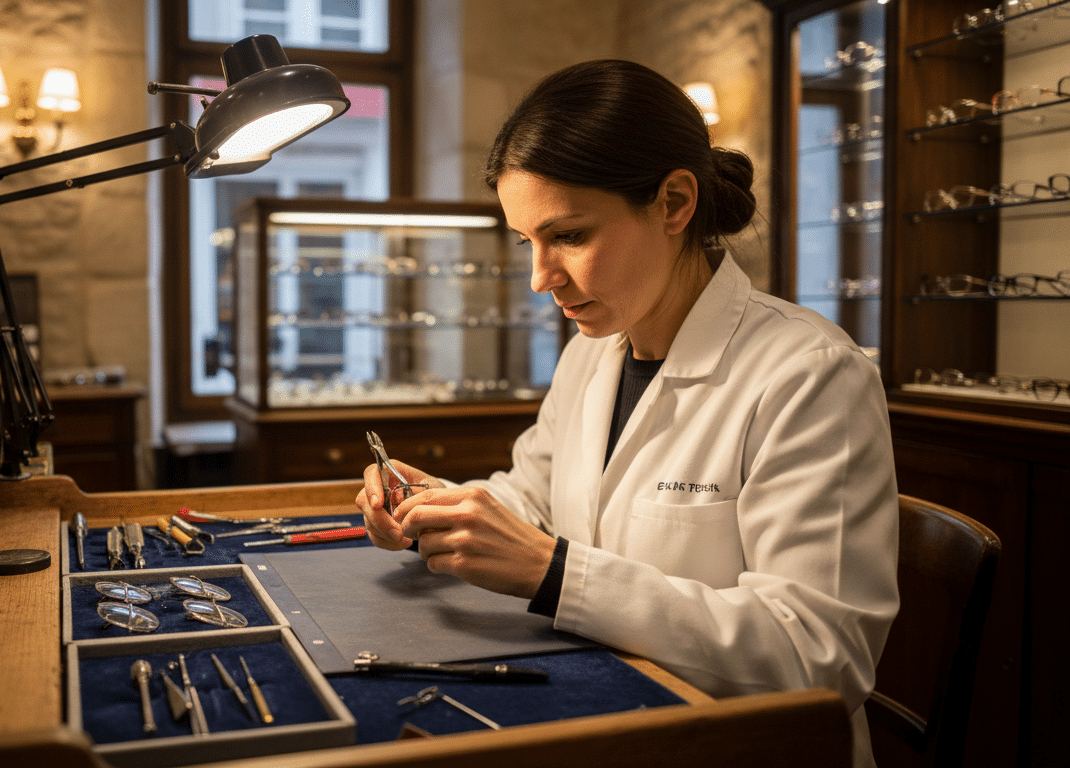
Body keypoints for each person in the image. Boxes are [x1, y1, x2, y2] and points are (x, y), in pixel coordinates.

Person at [356, 60, 898, 768]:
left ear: (675, 204)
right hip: (611, 713)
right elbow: (536, 494)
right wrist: (446, 511)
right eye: (528, 242)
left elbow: (818, 655)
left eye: (570, 236)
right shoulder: (596, 349)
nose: (540, 279)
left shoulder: (809, 376)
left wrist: (555, 574)